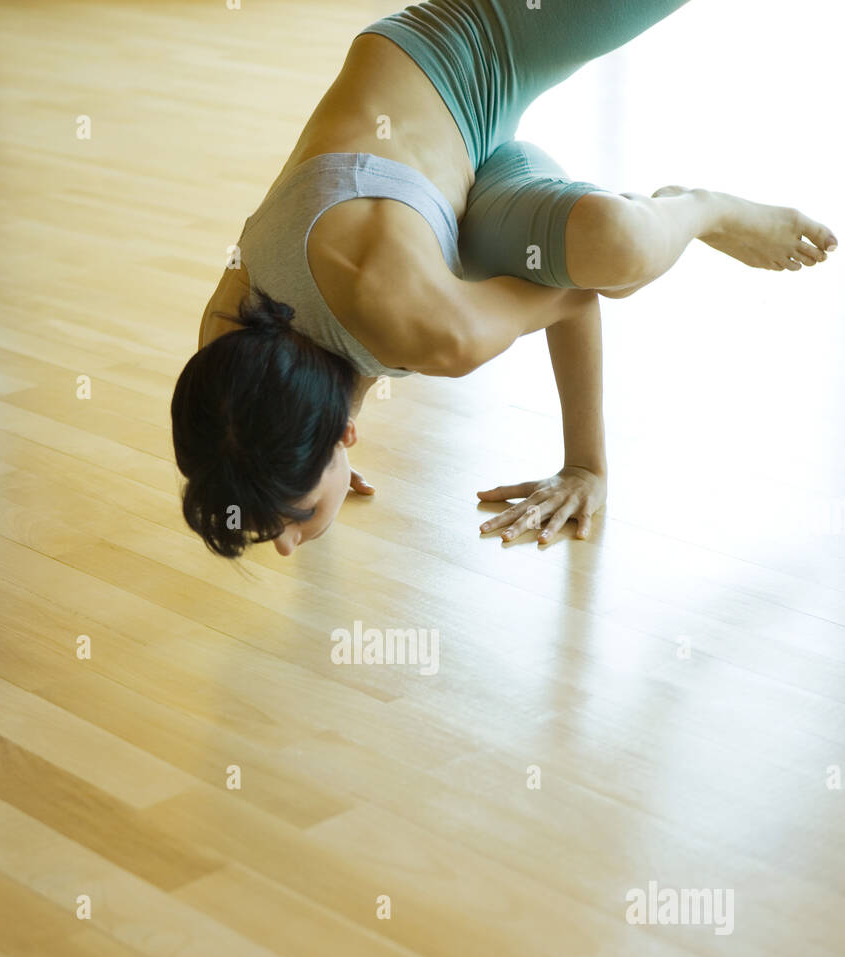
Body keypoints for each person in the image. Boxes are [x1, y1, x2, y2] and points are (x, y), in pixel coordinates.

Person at [171, 0, 836, 558]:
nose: (287, 544)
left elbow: (574, 295)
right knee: (603, 246)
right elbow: (315, 353)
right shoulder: (230, 370)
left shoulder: (434, 331)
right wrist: (296, 451)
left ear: (341, 434)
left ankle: (701, 208)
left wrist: (587, 465)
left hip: (479, 42)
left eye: (290, 517)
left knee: (621, 252)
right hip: (464, 194)